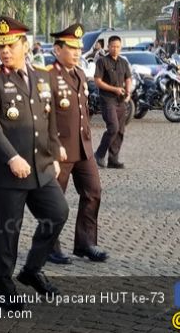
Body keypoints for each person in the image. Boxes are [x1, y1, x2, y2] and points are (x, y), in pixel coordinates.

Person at [0, 16, 69, 310]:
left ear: (25, 45)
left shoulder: (42, 75)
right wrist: (12, 157)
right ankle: (5, 291)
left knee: (58, 212)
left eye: (11, 45)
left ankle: (31, 270)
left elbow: (49, 119)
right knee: (5, 233)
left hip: (40, 167)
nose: (4, 51)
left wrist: (52, 155)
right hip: (6, 173)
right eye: (0, 46)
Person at [46, 23, 108, 264]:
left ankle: (85, 243)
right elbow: (44, 115)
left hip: (83, 147)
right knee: (55, 200)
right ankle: (51, 246)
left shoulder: (80, 73)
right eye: (71, 47)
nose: (76, 52)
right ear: (57, 49)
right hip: (60, 150)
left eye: (78, 48)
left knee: (93, 192)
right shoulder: (48, 75)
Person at [93, 35, 132, 169]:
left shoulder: (123, 62)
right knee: (113, 127)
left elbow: (128, 78)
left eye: (118, 47)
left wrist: (128, 91)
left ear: (121, 47)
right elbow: (97, 81)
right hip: (107, 99)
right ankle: (99, 154)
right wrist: (114, 89)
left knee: (120, 130)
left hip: (120, 100)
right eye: (113, 46)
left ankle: (113, 159)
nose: (115, 49)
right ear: (108, 47)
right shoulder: (102, 62)